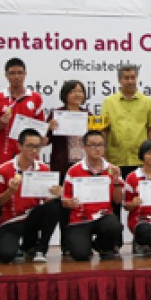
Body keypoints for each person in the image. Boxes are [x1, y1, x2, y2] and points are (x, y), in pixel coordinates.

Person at [101, 63, 151, 247]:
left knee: (141, 203)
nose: (130, 81)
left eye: (133, 77)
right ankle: (113, 243)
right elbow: (104, 131)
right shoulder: (109, 102)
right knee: (114, 203)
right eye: (126, 77)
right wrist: (104, 158)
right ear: (119, 80)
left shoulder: (147, 102)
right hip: (115, 160)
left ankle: (141, 241)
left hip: (140, 162)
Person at [0, 129, 62, 263]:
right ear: (19, 146)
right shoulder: (4, 169)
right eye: (30, 146)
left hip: (32, 218)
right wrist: (10, 192)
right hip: (11, 220)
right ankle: (22, 246)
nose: (34, 150)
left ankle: (40, 248)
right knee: (6, 255)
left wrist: (57, 194)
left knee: (55, 206)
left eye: (37, 146)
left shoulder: (44, 169)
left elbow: (47, 201)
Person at [62, 130, 124, 261]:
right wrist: (70, 202)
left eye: (101, 145)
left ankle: (103, 246)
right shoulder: (73, 170)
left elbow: (117, 201)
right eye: (93, 145)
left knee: (115, 226)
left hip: (103, 216)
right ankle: (84, 245)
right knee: (80, 255)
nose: (97, 149)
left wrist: (116, 181)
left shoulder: (112, 169)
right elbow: (64, 200)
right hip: (80, 218)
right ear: (84, 147)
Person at [45, 80, 91, 254]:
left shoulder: (88, 114)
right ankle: (66, 245)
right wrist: (48, 128)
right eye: (73, 91)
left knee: (82, 204)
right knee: (64, 204)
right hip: (64, 166)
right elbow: (45, 141)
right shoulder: (56, 114)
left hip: (84, 167)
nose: (77, 94)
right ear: (65, 94)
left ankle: (79, 242)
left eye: (80, 91)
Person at [0, 58, 49, 170]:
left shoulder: (35, 98)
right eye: (12, 73)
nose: (16, 77)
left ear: (25, 74)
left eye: (20, 73)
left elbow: (41, 129)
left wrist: (43, 138)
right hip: (3, 154)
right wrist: (1, 124)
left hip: (29, 154)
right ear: (6, 75)